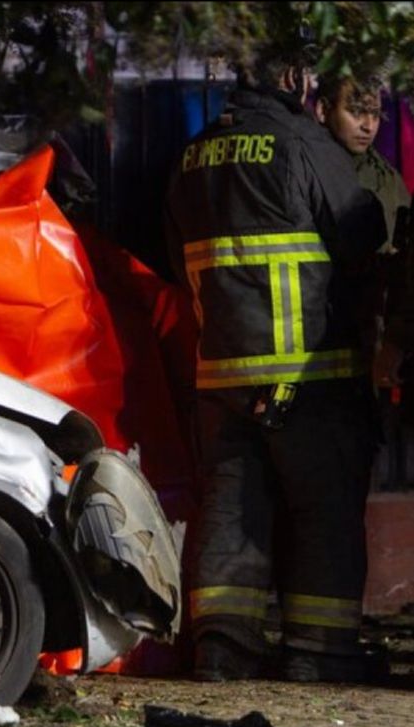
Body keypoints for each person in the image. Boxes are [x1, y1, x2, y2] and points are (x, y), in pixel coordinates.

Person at [164, 32, 387, 682]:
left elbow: (176, 256)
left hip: (220, 379)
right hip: (308, 378)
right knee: (324, 512)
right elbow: (359, 232)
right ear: (290, 80)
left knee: (231, 509)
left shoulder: (190, 156)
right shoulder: (299, 143)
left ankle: (221, 647)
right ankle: (319, 654)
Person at [314, 73, 412, 386]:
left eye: (374, 113)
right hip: (320, 336)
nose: (368, 125)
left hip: (374, 340)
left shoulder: (387, 179)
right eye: (356, 112)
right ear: (323, 110)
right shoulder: (309, 170)